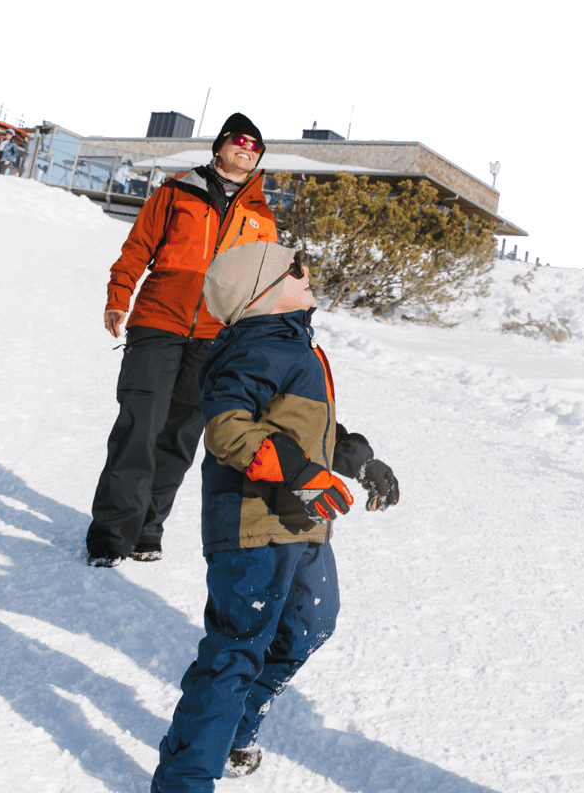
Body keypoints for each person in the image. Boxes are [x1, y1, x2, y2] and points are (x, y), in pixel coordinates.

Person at [149, 241, 400, 793]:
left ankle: (237, 728)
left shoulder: (290, 344)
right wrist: (300, 475)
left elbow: (304, 428)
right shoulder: (255, 348)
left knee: (311, 625)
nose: (306, 271)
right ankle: (183, 781)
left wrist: (359, 459)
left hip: (303, 524)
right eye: (294, 268)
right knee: (235, 651)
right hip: (251, 527)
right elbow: (227, 430)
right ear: (260, 294)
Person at [87, 113, 278, 567]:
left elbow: (263, 286)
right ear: (220, 147)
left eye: (255, 146)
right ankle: (111, 536)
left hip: (215, 336)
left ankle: (147, 530)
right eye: (239, 141)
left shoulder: (262, 217)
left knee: (180, 436)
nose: (247, 149)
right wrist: (119, 296)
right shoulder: (176, 192)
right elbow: (137, 246)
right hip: (157, 320)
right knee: (139, 426)